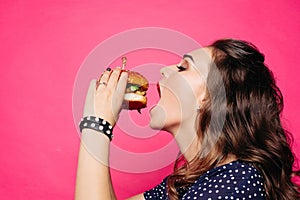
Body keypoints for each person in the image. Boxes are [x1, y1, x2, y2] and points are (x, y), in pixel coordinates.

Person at [75, 39, 300, 200]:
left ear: (211, 97)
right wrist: (98, 121)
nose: (164, 70)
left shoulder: (237, 181)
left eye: (183, 67)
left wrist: (96, 125)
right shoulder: (188, 182)